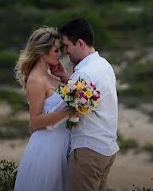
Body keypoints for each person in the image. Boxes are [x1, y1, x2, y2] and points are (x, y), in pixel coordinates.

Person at [56, 18, 119, 191]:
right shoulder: (104, 65)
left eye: (67, 45)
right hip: (107, 148)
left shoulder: (84, 74)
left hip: (88, 151)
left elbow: (67, 110)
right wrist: (66, 78)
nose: (65, 52)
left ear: (80, 43)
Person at [14, 26, 72, 191]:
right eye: (55, 50)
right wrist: (68, 113)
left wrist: (63, 76)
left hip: (61, 144)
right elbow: (35, 120)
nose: (60, 54)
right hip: (47, 148)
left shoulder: (51, 76)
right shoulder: (36, 80)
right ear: (42, 51)